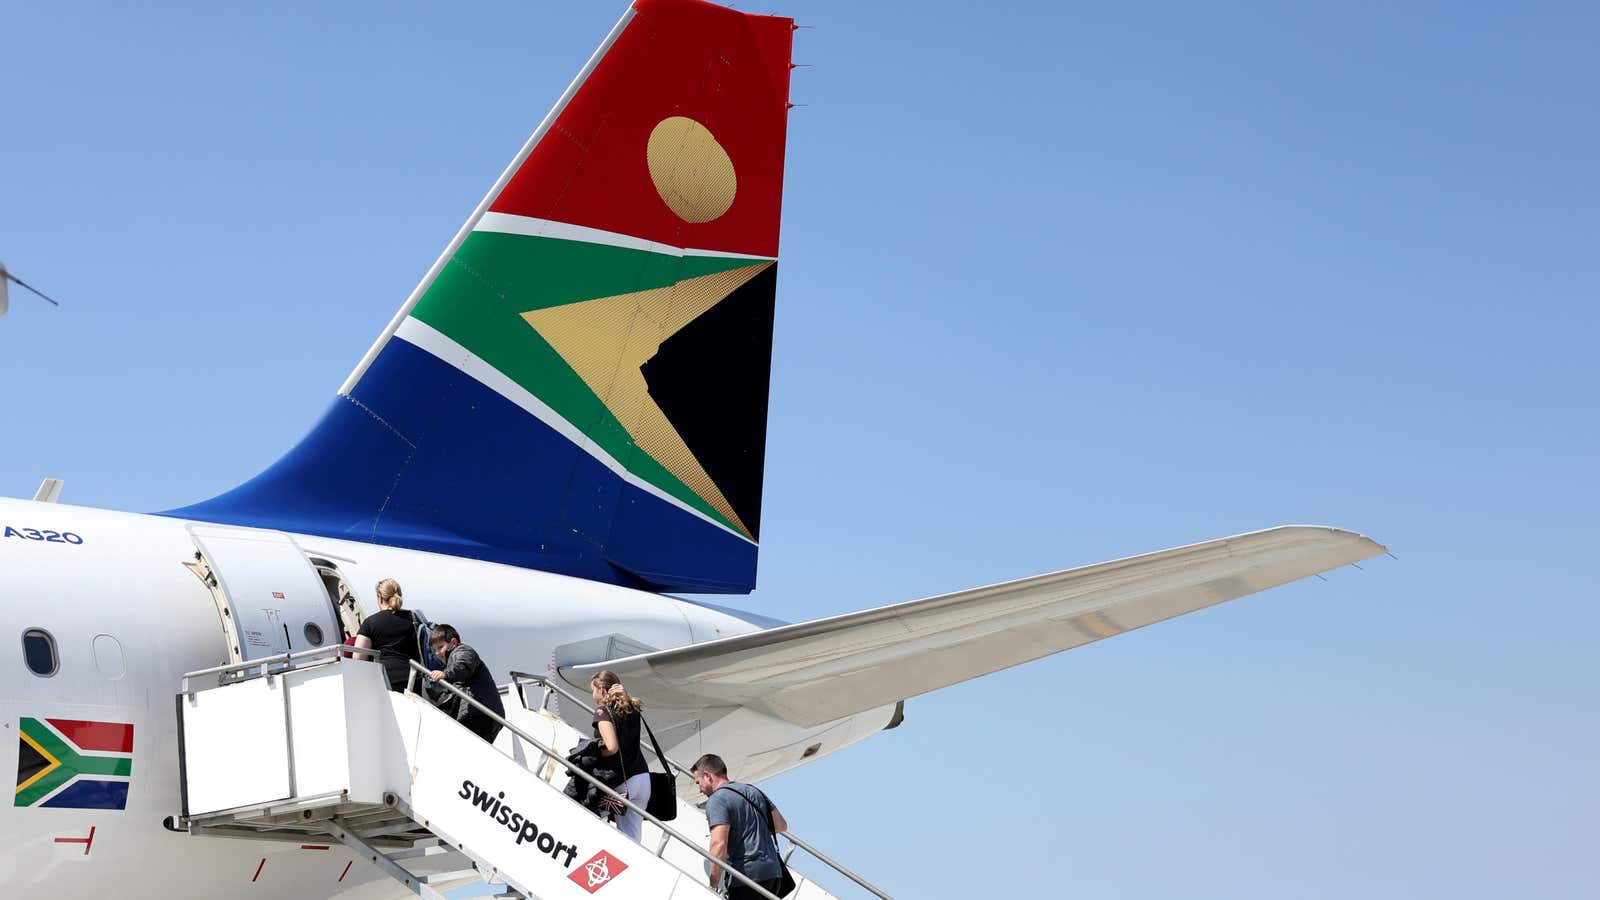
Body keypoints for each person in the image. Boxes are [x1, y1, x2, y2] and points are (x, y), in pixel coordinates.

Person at [692, 754, 789, 899]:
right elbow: (781, 825)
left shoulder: (717, 800)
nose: (700, 789)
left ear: (707, 776)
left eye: (698, 783)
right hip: (773, 873)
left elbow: (719, 844)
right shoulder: (753, 791)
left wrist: (713, 884)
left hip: (746, 876)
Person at [589, 670, 650, 843]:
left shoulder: (602, 712)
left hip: (623, 782)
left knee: (584, 809)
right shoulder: (632, 707)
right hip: (643, 778)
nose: (592, 695)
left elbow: (612, 747)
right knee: (632, 836)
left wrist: (593, 752)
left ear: (601, 690)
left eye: (592, 690)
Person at [425, 624, 505, 744]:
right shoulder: (452, 661)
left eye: (440, 647)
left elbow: (462, 667)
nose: (437, 653)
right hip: (479, 713)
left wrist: (445, 674)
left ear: (453, 642)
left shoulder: (463, 651)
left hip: (480, 713)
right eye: (434, 650)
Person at [352, 578, 420, 691]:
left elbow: (358, 658)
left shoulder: (371, 622)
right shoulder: (414, 619)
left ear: (380, 598)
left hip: (384, 680)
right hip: (413, 680)